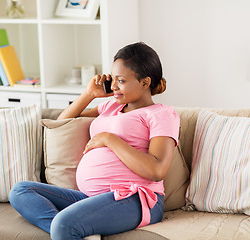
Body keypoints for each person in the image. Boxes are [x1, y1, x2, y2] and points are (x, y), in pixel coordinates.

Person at [9, 42, 180, 240]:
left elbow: (156, 171)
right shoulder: (110, 107)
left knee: (64, 224)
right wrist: (89, 94)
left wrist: (110, 140)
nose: (114, 86)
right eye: (113, 79)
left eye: (121, 81)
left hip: (136, 199)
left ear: (145, 82)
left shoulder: (161, 114)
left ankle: (70, 228)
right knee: (21, 191)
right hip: (93, 200)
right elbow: (62, 124)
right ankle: (78, 231)